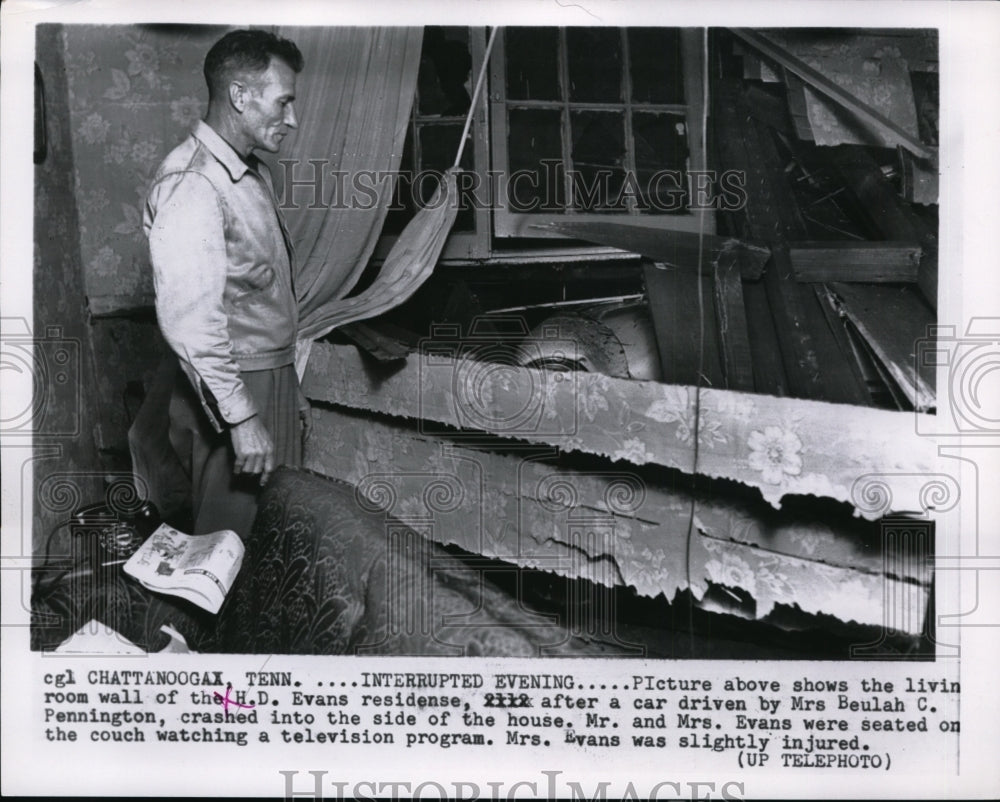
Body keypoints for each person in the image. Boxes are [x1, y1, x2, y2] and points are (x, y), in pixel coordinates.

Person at [143, 29, 308, 538]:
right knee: (226, 551)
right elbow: (192, 324)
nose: (292, 118)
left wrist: (288, 384)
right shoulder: (193, 183)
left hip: (266, 377)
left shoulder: (248, 174)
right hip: (232, 386)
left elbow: (259, 296)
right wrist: (240, 419)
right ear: (240, 95)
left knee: (277, 537)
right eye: (283, 102)